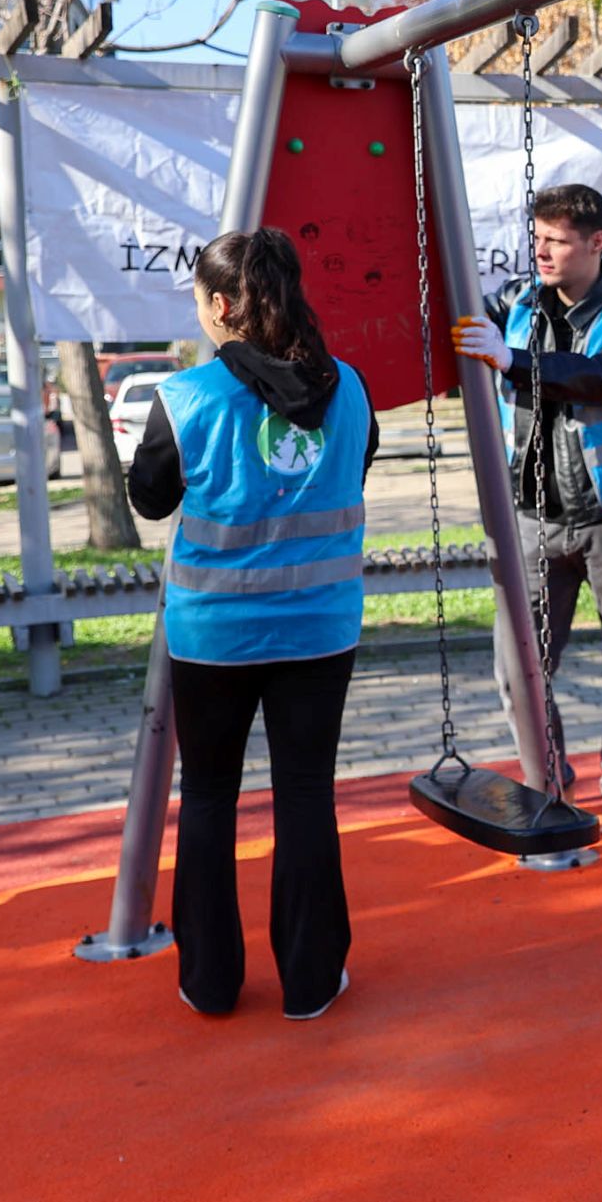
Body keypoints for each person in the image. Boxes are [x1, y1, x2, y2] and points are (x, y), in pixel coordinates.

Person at [127, 226, 379, 1021]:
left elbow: (150, 499)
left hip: (214, 636)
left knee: (208, 796)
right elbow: (352, 467)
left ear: (222, 306)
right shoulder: (350, 386)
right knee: (305, 793)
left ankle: (209, 980)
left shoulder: (186, 398)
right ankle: (311, 980)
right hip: (319, 629)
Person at [451, 182, 602, 833]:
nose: (541, 251)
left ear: (597, 243)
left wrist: (511, 360)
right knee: (520, 664)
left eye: (557, 240)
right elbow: (452, 323)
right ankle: (549, 776)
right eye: (537, 238)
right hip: (531, 516)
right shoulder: (515, 305)